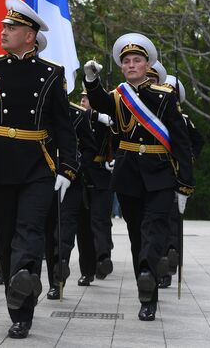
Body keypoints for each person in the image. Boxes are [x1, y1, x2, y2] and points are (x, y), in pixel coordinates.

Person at [0, 0, 79, 338]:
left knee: (30, 231)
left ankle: (24, 310)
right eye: (4, 26)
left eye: (12, 27)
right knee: (5, 238)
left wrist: (67, 167)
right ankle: (15, 293)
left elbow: (63, 126)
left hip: (37, 164)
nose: (3, 31)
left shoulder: (52, 73)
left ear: (30, 35)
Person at [83, 32, 195, 321]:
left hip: (160, 172)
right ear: (122, 67)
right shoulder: (118, 96)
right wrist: (92, 81)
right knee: (136, 235)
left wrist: (185, 181)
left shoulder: (165, 97)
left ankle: (148, 272)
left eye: (137, 60)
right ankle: (146, 294)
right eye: (127, 61)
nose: (132, 65)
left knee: (154, 228)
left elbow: (181, 141)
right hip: (129, 172)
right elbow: (100, 104)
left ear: (148, 65)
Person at [45, 101, 96, 299]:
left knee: (64, 230)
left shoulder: (79, 115)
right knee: (49, 232)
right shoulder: (40, 111)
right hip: (44, 179)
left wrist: (76, 165)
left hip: (71, 181)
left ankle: (60, 272)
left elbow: (90, 148)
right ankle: (53, 280)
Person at [157, 75, 204, 288]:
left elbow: (197, 141)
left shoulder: (183, 119)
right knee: (160, 219)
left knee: (173, 219)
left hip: (176, 175)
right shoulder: (154, 117)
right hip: (158, 173)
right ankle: (162, 260)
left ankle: (170, 260)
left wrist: (188, 159)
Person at [76, 88, 116, 286]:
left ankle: (103, 258)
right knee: (83, 227)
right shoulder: (78, 119)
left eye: (88, 99)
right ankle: (87, 271)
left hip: (102, 174)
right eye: (83, 99)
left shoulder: (108, 120)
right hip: (82, 174)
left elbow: (119, 137)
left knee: (99, 220)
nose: (84, 102)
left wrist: (114, 158)